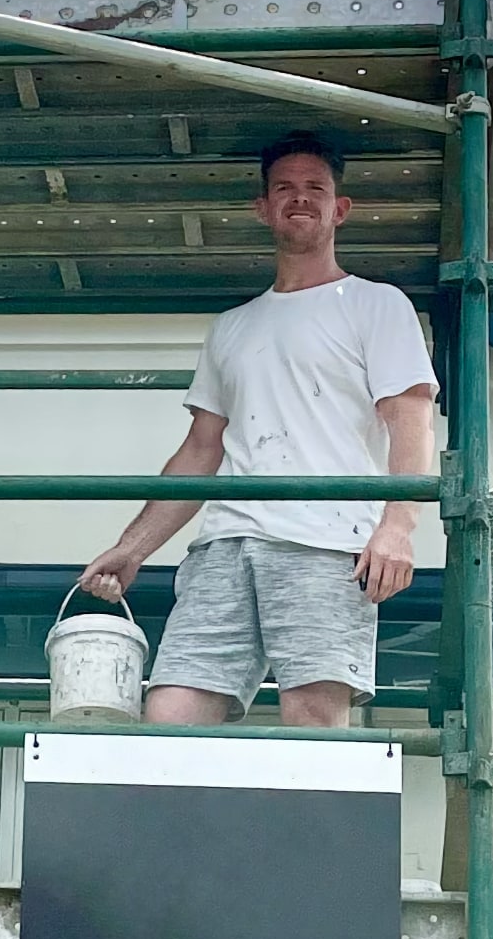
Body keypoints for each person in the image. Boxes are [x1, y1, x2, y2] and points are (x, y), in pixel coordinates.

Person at [79, 130, 439, 729]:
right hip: (223, 544)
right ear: (264, 207)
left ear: (339, 208)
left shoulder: (376, 304)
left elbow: (412, 418)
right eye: (285, 188)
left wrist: (398, 526)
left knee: (313, 715)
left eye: (315, 188)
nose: (300, 199)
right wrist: (133, 546)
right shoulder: (230, 327)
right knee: (170, 713)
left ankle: (320, 827)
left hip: (325, 540)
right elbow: (200, 449)